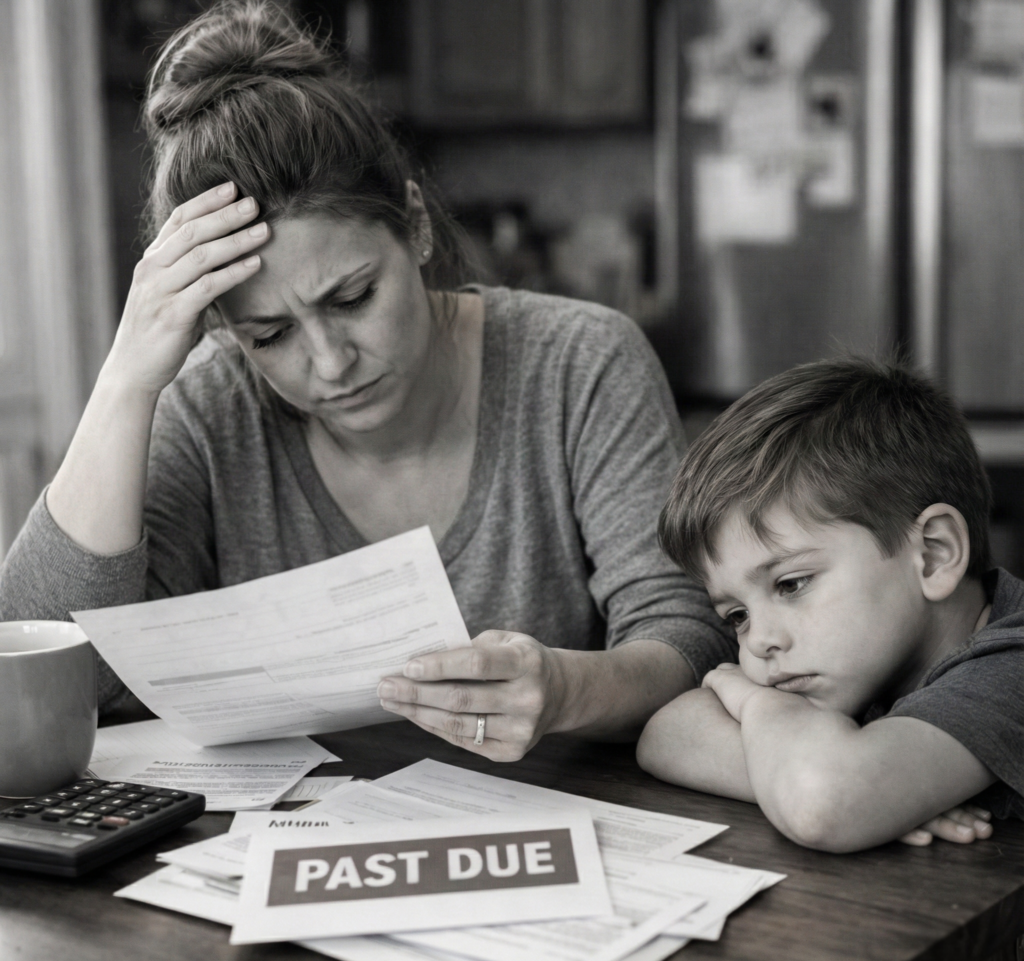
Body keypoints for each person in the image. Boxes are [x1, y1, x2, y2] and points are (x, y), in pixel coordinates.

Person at [0, 1, 733, 761]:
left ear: (414, 224)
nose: (329, 361)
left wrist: (567, 689)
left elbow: (689, 636)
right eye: (270, 334)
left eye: (351, 298)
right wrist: (126, 382)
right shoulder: (212, 408)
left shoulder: (582, 365)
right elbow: (44, 672)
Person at [637, 357, 1024, 852]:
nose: (759, 640)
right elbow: (666, 733)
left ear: (932, 555)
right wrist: (844, 782)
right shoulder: (860, 661)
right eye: (737, 615)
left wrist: (779, 731)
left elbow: (824, 802)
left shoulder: (1011, 666)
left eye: (792, 584)